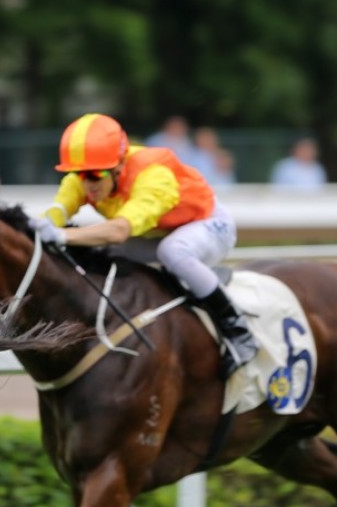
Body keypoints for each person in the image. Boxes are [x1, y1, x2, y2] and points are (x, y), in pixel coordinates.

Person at [32, 112, 257, 375]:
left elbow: (119, 230)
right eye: (79, 174)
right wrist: (43, 224)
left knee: (172, 251)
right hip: (160, 231)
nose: (86, 183)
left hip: (207, 225)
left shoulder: (153, 175)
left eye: (94, 175)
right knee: (99, 251)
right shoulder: (87, 177)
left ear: (118, 166)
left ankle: (239, 330)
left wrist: (62, 236)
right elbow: (58, 210)